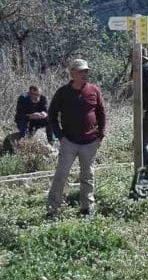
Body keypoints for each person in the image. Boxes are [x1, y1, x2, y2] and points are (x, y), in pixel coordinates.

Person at [46, 59, 107, 218]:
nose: (84, 74)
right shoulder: (63, 92)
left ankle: (87, 208)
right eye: (81, 71)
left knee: (88, 176)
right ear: (72, 73)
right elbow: (52, 115)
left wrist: (100, 135)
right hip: (69, 142)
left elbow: (101, 113)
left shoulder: (94, 90)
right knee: (61, 175)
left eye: (86, 71)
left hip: (90, 142)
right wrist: (60, 136)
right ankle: (53, 209)